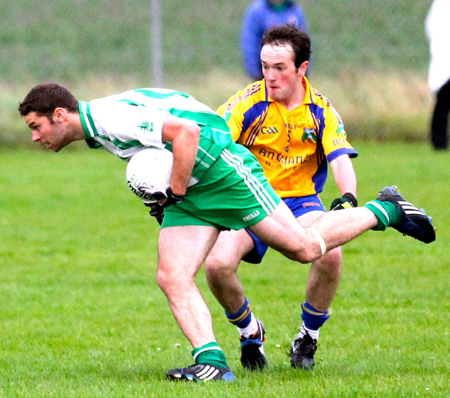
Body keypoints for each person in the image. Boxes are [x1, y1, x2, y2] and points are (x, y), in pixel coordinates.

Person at [19, 83, 435, 383]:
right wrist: (168, 193)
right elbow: (172, 104)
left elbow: (188, 130)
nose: (36, 137)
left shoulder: (110, 118)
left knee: (304, 248)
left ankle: (386, 209)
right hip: (192, 183)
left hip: (221, 169)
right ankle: (212, 362)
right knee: (172, 274)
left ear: (60, 115)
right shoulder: (98, 124)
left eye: (37, 127)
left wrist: (174, 190)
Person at [205, 24, 356, 372]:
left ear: (302, 69)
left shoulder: (321, 110)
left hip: (301, 202)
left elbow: (340, 160)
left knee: (331, 256)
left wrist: (347, 198)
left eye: (279, 68)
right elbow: (212, 140)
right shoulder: (247, 104)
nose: (269, 77)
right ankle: (249, 330)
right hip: (249, 200)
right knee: (217, 265)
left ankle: (308, 336)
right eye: (264, 66)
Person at [241, 0, 309, 80]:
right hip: (264, 71)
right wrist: (254, 71)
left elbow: (304, 42)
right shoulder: (257, 11)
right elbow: (250, 42)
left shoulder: (295, 10)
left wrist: (304, 68)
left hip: (291, 71)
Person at [425, 0, 450, 150]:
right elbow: (431, 27)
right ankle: (439, 142)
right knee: (442, 105)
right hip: (443, 64)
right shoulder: (441, 4)